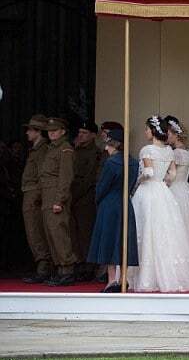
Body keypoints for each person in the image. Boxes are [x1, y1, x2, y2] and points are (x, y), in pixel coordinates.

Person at [129, 116, 189, 292]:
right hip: (163, 192)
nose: (145, 132)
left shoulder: (147, 150)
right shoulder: (169, 151)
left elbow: (149, 172)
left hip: (148, 191)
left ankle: (144, 276)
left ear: (152, 131)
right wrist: (163, 182)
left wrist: (138, 182)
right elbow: (173, 174)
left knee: (145, 230)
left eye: (146, 129)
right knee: (165, 232)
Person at [87, 127, 139, 293]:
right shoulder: (134, 162)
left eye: (108, 145)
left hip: (110, 204)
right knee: (123, 241)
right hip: (126, 203)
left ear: (115, 145)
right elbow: (131, 184)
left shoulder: (111, 163)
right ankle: (123, 279)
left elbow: (102, 186)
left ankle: (111, 280)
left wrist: (98, 200)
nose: (106, 148)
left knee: (110, 241)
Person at [39, 117, 79, 286]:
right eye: (49, 130)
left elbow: (65, 177)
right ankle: (60, 269)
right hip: (47, 197)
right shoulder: (51, 148)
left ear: (63, 131)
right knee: (51, 234)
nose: (52, 133)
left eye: (55, 130)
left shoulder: (65, 149)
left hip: (56, 197)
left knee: (59, 234)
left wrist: (60, 200)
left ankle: (67, 270)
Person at [164, 116, 189, 261]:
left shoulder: (173, 154)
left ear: (175, 134)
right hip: (187, 190)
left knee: (175, 226)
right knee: (188, 227)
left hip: (174, 188)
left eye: (168, 134)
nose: (166, 137)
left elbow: (170, 175)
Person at [20, 115, 52, 284]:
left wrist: (38, 196)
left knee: (35, 231)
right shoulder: (36, 149)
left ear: (38, 132)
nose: (27, 133)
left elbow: (42, 175)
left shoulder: (42, 150)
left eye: (30, 129)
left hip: (34, 194)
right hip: (31, 192)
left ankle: (44, 267)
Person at [71, 120, 101, 282]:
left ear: (93, 136)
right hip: (72, 197)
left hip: (84, 198)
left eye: (84, 133)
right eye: (80, 132)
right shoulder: (74, 150)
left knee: (85, 233)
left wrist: (74, 195)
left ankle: (88, 267)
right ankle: (78, 264)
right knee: (73, 234)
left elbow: (89, 178)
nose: (80, 136)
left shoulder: (95, 153)